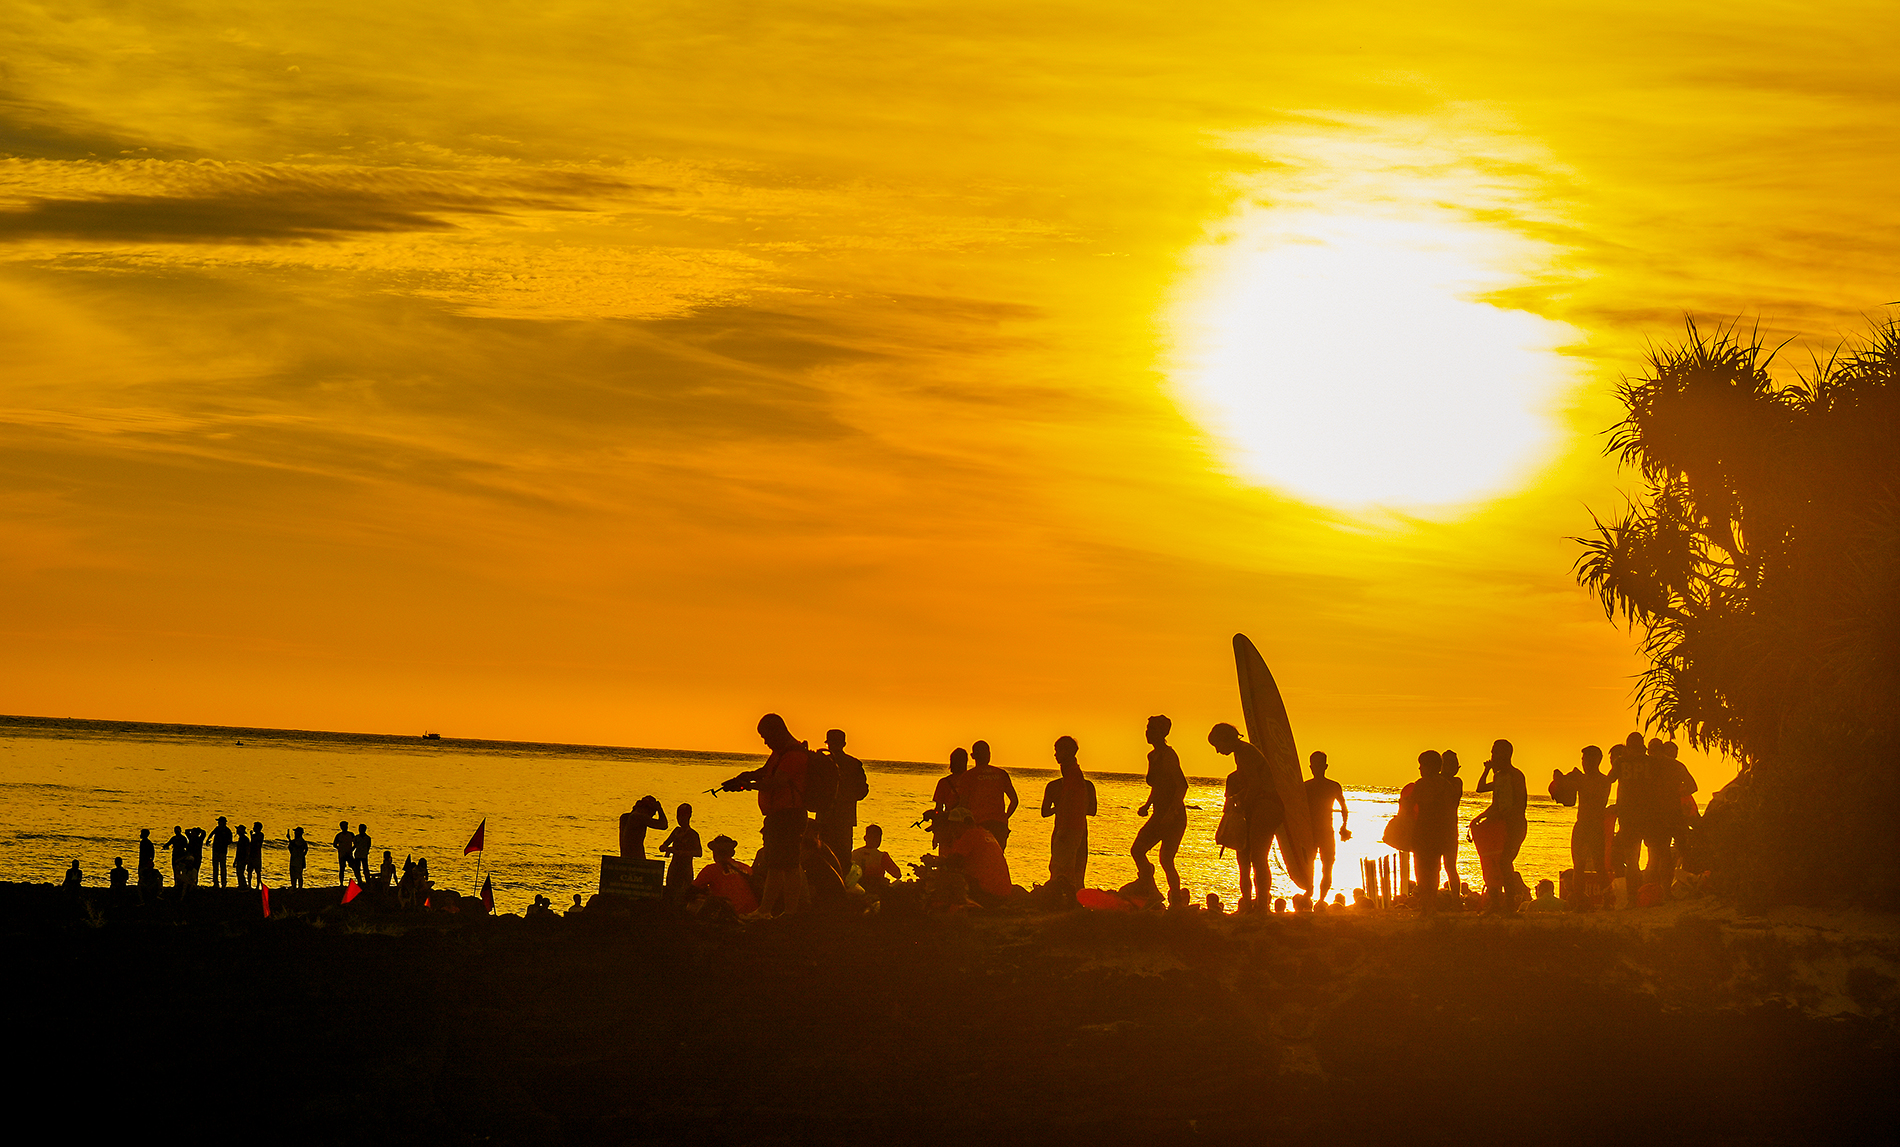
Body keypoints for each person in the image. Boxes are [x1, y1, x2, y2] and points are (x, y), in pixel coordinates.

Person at [718, 713, 814, 917]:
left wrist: (745, 786)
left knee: (788, 865)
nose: (765, 741)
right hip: (778, 816)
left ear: (778, 731)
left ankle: (789, 912)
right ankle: (765, 910)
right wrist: (745, 777)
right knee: (776, 864)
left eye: (766, 736)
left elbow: (776, 782)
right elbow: (767, 772)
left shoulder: (794, 754)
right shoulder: (780, 753)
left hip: (789, 815)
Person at [1208, 722, 1282, 912]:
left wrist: (1241, 806)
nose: (1217, 751)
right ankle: (1248, 903)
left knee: (1258, 857)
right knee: (1245, 857)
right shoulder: (1240, 753)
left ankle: (1262, 904)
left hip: (1266, 806)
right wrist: (1237, 799)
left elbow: (1256, 785)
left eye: (1217, 745)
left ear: (1226, 739)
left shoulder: (1246, 752)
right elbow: (1250, 785)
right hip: (1258, 805)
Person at [1131, 715, 1188, 903]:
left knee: (1166, 859)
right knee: (1137, 849)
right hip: (1158, 813)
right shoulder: (1152, 756)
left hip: (1174, 816)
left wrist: (1172, 812)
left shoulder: (1168, 755)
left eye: (1152, 729)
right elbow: (1158, 785)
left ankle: (1176, 902)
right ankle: (1150, 888)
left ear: (1162, 732)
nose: (1147, 732)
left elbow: (1181, 785)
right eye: (1147, 729)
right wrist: (1147, 805)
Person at [1550, 745, 1614, 908]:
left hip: (1594, 826)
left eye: (1586, 759)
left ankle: (1608, 899)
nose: (1584, 763)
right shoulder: (1582, 779)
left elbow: (1594, 795)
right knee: (1578, 865)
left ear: (1596, 761)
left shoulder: (1603, 781)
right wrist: (1561, 779)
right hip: (1582, 825)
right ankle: (1578, 900)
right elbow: (1569, 800)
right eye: (1583, 760)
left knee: (1599, 865)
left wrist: (1576, 779)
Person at [1472, 739, 1528, 913]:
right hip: (1502, 824)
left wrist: (1504, 816)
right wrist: (1480, 818)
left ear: (1505, 755)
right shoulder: (1499, 776)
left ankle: (1510, 904)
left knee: (1504, 862)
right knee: (1494, 863)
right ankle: (1496, 903)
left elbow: (1519, 804)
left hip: (1514, 825)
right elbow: (1483, 790)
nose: (1492, 756)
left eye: (1495, 753)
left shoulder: (1515, 776)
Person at [1039, 735, 1097, 891]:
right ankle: (1071, 896)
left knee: (1062, 868)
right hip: (1078, 828)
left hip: (1067, 828)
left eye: (1058, 751)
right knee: (1075, 867)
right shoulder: (1079, 778)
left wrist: (1061, 816)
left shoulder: (1070, 776)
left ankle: (1065, 898)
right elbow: (1090, 810)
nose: (1055, 755)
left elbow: (1070, 803)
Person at [1411, 752, 1455, 915]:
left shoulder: (1422, 784)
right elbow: (1450, 812)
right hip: (1439, 832)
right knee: (1433, 869)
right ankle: (1431, 904)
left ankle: (1426, 904)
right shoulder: (1446, 785)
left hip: (1424, 831)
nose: (1420, 768)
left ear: (1431, 767)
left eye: (1422, 765)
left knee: (1422, 870)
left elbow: (1410, 806)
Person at [818, 729, 869, 867]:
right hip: (844, 818)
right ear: (844, 744)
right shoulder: (853, 764)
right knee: (842, 856)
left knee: (822, 855)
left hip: (825, 818)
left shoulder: (821, 762)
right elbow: (862, 792)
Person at [941, 807, 1012, 905]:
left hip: (988, 893)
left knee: (949, 878)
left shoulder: (970, 835)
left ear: (962, 824)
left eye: (954, 826)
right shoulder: (986, 833)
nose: (952, 830)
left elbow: (953, 862)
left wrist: (934, 861)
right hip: (1003, 893)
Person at [957, 740, 1019, 850]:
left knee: (979, 858)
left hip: (978, 825)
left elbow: (963, 804)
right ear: (989, 755)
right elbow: (1014, 801)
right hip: (999, 825)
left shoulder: (968, 776)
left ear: (973, 756)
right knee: (997, 858)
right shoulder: (1001, 774)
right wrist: (1005, 817)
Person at [1305, 751, 1350, 902]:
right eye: (1314, 765)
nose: (1315, 768)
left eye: (1318, 765)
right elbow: (1344, 809)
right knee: (1314, 866)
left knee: (1325, 866)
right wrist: (1343, 827)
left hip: (1322, 832)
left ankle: (1319, 898)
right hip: (1313, 832)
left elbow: (1344, 808)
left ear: (1325, 766)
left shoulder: (1328, 786)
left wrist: (1344, 827)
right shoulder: (1307, 787)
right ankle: (1312, 894)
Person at [692, 834, 760, 916]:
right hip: (753, 912)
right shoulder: (746, 868)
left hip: (731, 914)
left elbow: (691, 891)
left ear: (715, 853)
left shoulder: (711, 869)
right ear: (732, 853)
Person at [659, 804, 703, 899]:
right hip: (674, 867)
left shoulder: (693, 834)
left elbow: (699, 853)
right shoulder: (676, 831)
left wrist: (681, 853)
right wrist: (666, 848)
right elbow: (663, 846)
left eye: (683, 816)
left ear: (688, 816)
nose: (680, 819)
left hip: (685, 868)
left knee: (684, 893)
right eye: (678, 816)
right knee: (670, 891)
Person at [849, 825, 902, 897]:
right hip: (877, 891)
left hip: (857, 888)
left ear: (865, 838)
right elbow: (897, 874)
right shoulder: (881, 856)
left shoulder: (854, 854)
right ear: (879, 840)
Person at [209, 817, 234, 888]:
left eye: (220, 822)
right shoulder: (217, 829)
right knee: (215, 867)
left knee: (222, 867)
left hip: (222, 851)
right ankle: (216, 883)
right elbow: (211, 834)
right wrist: (208, 839)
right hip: (216, 850)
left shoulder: (227, 831)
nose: (218, 823)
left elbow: (230, 841)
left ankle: (223, 883)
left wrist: (223, 843)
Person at [331, 822, 355, 887]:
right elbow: (334, 844)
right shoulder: (339, 835)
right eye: (343, 826)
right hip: (342, 855)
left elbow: (355, 843)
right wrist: (340, 848)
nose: (345, 827)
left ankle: (359, 881)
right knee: (342, 869)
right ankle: (341, 883)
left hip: (349, 854)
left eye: (346, 826)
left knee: (354, 867)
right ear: (341, 827)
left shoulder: (351, 834)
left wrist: (352, 849)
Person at [233, 825, 251, 889]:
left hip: (242, 858)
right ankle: (241, 884)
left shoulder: (244, 839)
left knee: (240, 872)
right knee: (239, 872)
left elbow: (247, 849)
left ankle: (243, 885)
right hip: (240, 857)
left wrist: (247, 858)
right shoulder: (242, 839)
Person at [249, 821, 266, 886]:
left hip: (257, 855)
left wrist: (251, 836)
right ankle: (250, 885)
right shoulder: (254, 835)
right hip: (252, 854)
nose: (253, 828)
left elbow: (255, 841)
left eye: (254, 827)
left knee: (258, 871)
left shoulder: (260, 835)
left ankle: (257, 885)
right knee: (250, 870)